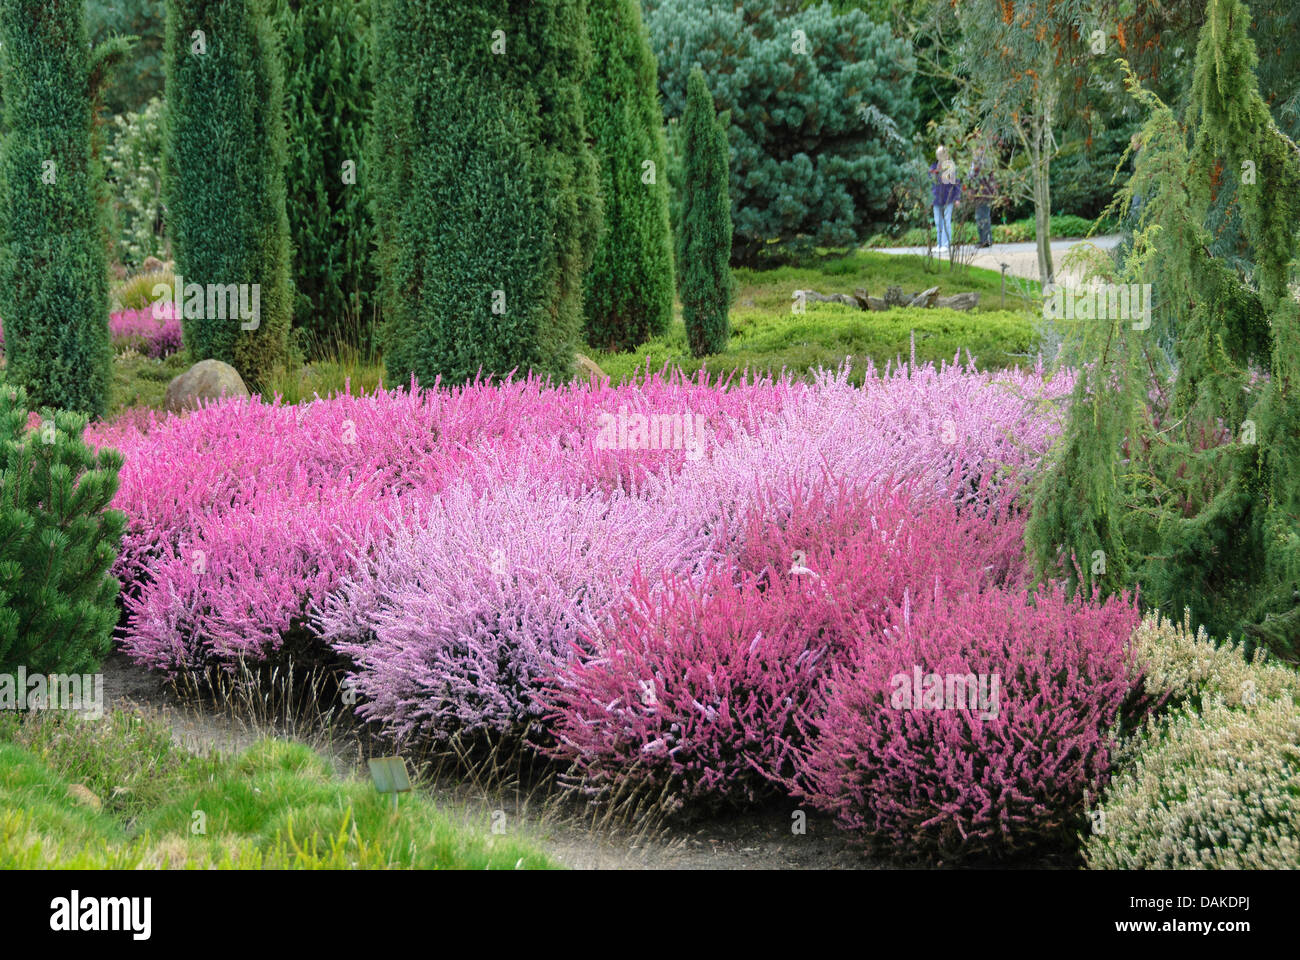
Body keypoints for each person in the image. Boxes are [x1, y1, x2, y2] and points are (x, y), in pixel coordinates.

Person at [929, 146, 961, 253]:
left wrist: (957, 198)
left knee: (946, 221)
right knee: (938, 222)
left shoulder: (950, 167)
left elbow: (956, 183)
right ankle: (939, 244)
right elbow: (930, 184)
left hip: (948, 198)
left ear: (946, 155)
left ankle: (946, 245)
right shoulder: (933, 167)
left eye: (942, 154)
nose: (940, 156)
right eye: (938, 154)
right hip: (936, 199)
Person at [968, 146, 997, 248]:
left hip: (983, 194)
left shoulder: (982, 164)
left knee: (983, 217)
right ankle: (983, 239)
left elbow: (986, 178)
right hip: (979, 194)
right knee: (980, 217)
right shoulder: (975, 164)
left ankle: (986, 240)